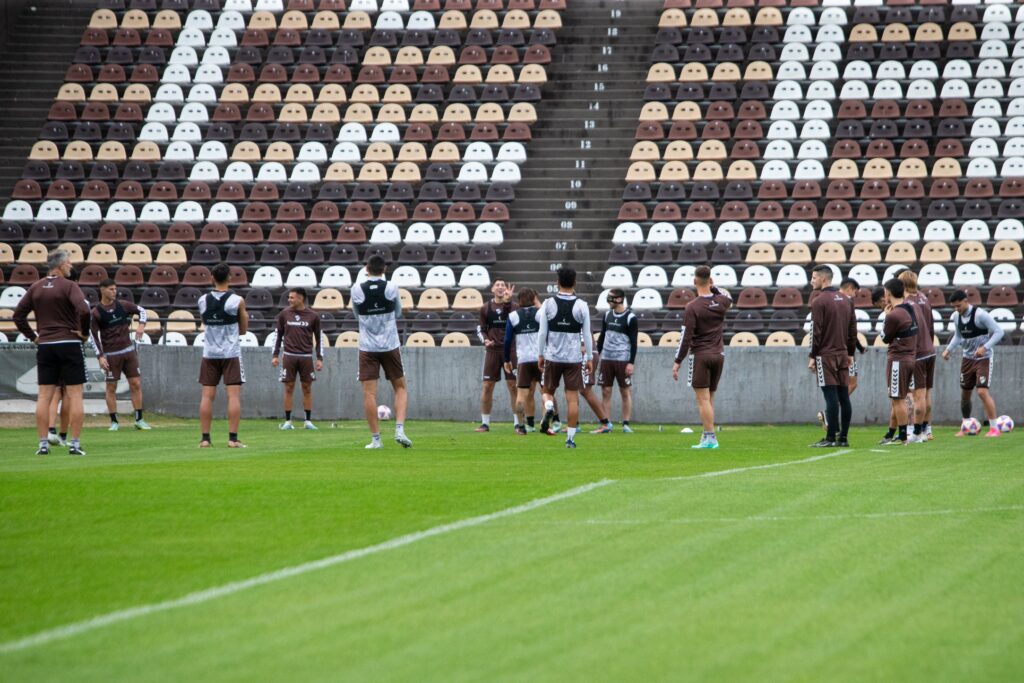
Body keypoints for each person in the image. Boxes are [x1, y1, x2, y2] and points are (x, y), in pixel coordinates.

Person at [12, 249, 91, 456]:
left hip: (46, 345)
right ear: (61, 265)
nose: (71, 266)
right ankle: (74, 444)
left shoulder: (36, 287)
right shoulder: (70, 286)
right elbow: (84, 310)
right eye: (69, 263)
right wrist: (84, 333)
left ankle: (43, 444)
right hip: (69, 342)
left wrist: (34, 337)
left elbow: (18, 316)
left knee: (44, 396)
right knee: (75, 394)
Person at [351, 255, 412, 449]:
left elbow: (356, 314)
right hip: (390, 345)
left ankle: (376, 440)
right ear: (384, 269)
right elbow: (398, 312)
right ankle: (399, 429)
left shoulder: (356, 289)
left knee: (369, 393)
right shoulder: (392, 287)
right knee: (400, 387)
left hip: (367, 347)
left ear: (366, 269)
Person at [671, 265, 731, 449]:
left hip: (700, 355)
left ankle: (711, 438)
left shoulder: (692, 307)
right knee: (709, 397)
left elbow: (686, 337)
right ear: (710, 280)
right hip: (718, 354)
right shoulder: (721, 302)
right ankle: (706, 435)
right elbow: (728, 297)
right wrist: (714, 288)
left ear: (694, 281)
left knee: (702, 400)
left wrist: (677, 361)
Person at [537, 266, 592, 448]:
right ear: (575, 282)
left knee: (546, 392)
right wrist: (589, 358)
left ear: (557, 283)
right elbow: (587, 335)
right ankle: (570, 439)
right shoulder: (582, 305)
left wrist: (540, 354)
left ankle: (549, 406)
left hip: (553, 356)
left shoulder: (548, 304)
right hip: (573, 359)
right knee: (572, 399)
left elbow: (542, 333)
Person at [197, 263, 248, 448]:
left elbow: (204, 322)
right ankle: (233, 439)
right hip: (230, 353)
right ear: (229, 278)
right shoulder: (237, 300)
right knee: (233, 396)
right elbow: (243, 329)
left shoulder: (202, 300)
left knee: (206, 396)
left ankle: (205, 439)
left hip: (209, 353)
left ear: (212, 277)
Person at [90, 279, 151, 432]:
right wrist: (100, 356)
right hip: (111, 355)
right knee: (111, 387)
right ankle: (114, 422)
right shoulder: (96, 313)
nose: (114, 292)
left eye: (115, 289)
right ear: (102, 290)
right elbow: (93, 336)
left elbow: (142, 310)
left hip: (128, 352)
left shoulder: (122, 305)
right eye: (111, 289)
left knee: (136, 384)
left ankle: (139, 419)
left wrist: (141, 325)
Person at [942, 289, 1005, 437]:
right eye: (954, 306)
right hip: (967, 359)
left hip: (983, 358)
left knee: (982, 392)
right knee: (965, 395)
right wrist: (948, 349)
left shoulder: (980, 315)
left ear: (966, 301)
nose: (956, 309)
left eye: (958, 305)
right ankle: (965, 426)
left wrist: (985, 347)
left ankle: (994, 428)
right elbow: (958, 336)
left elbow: (999, 331)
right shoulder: (956, 316)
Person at [807, 266, 857, 448]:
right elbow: (853, 330)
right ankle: (843, 438)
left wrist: (813, 355)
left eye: (814, 277)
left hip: (825, 355)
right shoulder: (846, 300)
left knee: (830, 396)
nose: (811, 281)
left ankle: (830, 437)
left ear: (823, 279)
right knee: (844, 396)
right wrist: (850, 353)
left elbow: (816, 331)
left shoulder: (819, 301)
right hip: (843, 354)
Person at [271, 287, 324, 431]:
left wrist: (319, 358)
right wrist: (275, 355)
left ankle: (308, 421)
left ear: (301, 298)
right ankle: (288, 421)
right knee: (288, 388)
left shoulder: (313, 316)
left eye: (292, 297)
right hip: (289, 356)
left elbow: (319, 338)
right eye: (289, 297)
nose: (289, 300)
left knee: (307, 388)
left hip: (306, 357)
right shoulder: (284, 314)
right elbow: (278, 335)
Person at [879, 278, 918, 446]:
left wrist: (885, 317)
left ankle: (902, 436)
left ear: (888, 293)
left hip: (898, 360)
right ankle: (891, 433)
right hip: (910, 358)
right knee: (897, 397)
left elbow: (884, 337)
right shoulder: (910, 308)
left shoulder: (894, 315)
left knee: (897, 398)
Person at [899, 270, 936, 442]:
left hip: (918, 352)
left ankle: (916, 432)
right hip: (930, 350)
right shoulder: (924, 298)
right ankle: (927, 430)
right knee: (926, 393)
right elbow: (931, 326)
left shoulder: (908, 303)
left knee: (917, 395)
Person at [476, 279, 517, 432]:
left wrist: (508, 302)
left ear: (506, 289)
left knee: (513, 386)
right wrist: (485, 340)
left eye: (503, 285)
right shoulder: (485, 308)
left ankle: (517, 424)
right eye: (497, 285)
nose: (500, 287)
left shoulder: (514, 307)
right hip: (492, 351)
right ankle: (485, 423)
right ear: (492, 289)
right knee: (487, 386)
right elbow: (480, 329)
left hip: (510, 351)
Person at [596, 288, 638, 433]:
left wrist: (631, 362)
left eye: (611, 298)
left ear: (619, 299)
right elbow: (602, 336)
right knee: (605, 391)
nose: (608, 301)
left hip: (622, 359)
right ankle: (607, 424)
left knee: (624, 391)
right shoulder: (607, 315)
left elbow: (634, 342)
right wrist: (597, 355)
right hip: (606, 358)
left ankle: (626, 423)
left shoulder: (630, 317)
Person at [504, 288, 541, 435]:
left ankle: (520, 426)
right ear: (533, 299)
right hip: (540, 359)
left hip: (523, 360)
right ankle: (548, 424)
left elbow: (507, 340)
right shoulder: (540, 313)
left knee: (521, 396)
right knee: (546, 393)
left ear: (519, 300)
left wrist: (506, 359)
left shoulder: (513, 316)